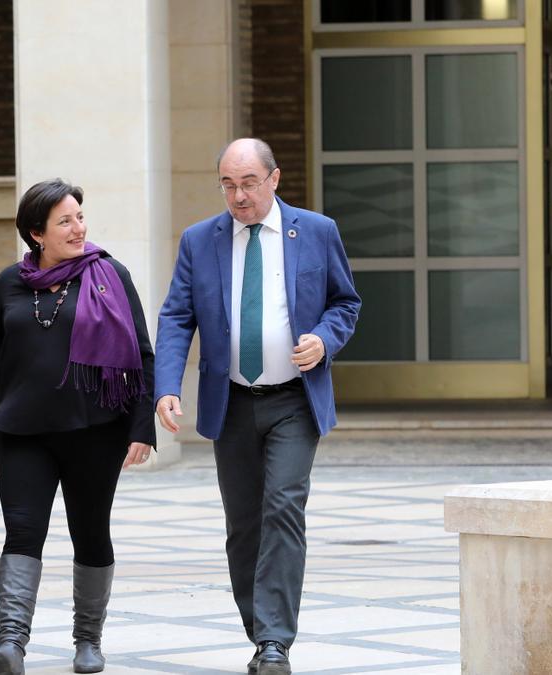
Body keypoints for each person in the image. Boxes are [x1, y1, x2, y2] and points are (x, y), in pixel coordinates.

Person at [154, 138, 360, 675]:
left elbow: (346, 302)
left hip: (294, 398)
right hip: (233, 402)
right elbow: (177, 316)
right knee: (244, 523)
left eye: (248, 183)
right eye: (228, 184)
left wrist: (323, 339)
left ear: (274, 179)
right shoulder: (201, 240)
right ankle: (259, 628)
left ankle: (274, 642)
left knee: (283, 509)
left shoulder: (317, 231)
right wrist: (167, 385)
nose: (238, 196)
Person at [0, 179, 156, 675]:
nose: (79, 228)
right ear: (37, 233)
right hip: (22, 431)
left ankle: (88, 641)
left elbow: (141, 354)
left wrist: (143, 427)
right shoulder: (10, 282)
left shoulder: (109, 274)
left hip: (95, 429)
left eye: (79, 217)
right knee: (22, 532)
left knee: (90, 532)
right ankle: (11, 643)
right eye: (65, 221)